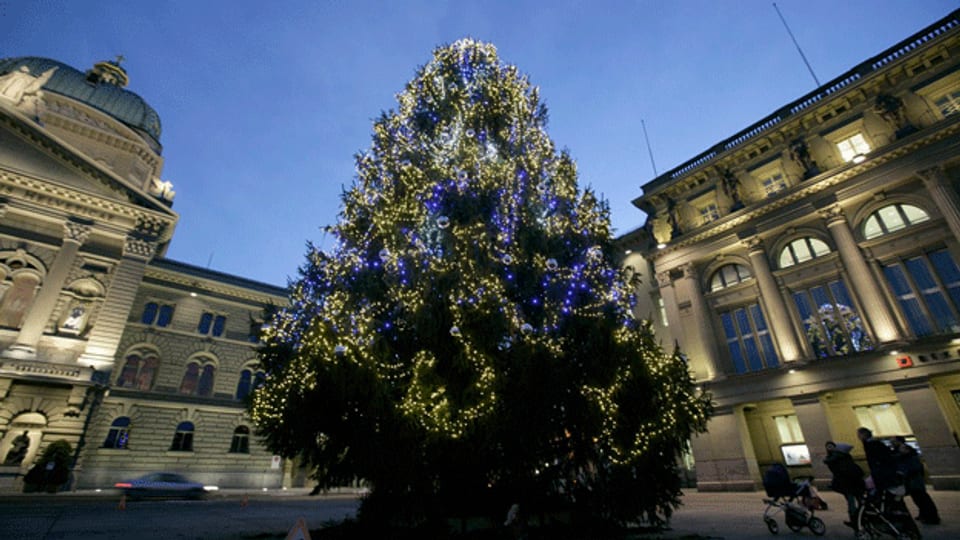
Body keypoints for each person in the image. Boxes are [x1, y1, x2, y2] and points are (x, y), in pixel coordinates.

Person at [893, 437, 940, 525]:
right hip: (912, 482)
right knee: (918, 500)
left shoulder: (911, 457)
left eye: (902, 449)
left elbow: (914, 468)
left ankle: (931, 517)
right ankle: (924, 514)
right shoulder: (905, 456)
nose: (900, 451)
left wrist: (903, 473)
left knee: (922, 499)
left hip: (915, 482)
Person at [824, 441, 864, 526]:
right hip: (851, 481)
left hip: (847, 482)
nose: (830, 448)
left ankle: (856, 518)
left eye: (831, 446)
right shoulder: (844, 456)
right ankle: (858, 518)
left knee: (853, 501)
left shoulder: (834, 458)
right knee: (856, 500)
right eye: (828, 446)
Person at [857, 427, 898, 491]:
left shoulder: (871, 445)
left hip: (882, 472)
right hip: (883, 471)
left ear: (864, 435)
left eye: (859, 435)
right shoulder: (874, 443)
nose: (858, 437)